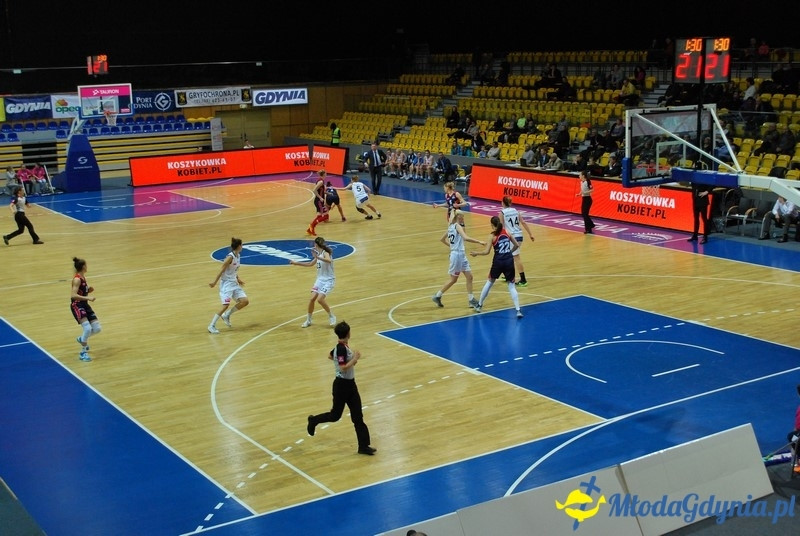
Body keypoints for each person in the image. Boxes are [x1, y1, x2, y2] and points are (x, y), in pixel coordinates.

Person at [306, 320, 375, 455]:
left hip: (351, 385)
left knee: (358, 416)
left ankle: (363, 446)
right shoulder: (341, 348)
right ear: (348, 333)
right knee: (335, 415)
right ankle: (313, 420)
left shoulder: (341, 347)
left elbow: (330, 356)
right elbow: (343, 368)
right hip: (341, 386)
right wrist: (354, 359)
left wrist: (343, 362)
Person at [470, 215, 522, 318]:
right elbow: (516, 245)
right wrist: (509, 252)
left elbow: (486, 252)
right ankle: (518, 310)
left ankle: (479, 305)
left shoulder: (492, 236)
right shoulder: (506, 232)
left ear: (492, 225)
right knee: (511, 286)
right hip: (508, 261)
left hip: (498, 262)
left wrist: (476, 253)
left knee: (489, 282)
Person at [432, 210, 485, 309]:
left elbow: (442, 239)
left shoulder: (450, 227)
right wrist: (479, 241)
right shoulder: (457, 226)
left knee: (469, 277)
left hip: (460, 254)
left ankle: (471, 300)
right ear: (458, 217)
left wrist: (452, 247)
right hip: (457, 256)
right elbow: (465, 238)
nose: (463, 219)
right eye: (462, 217)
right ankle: (437, 295)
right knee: (453, 279)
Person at [289, 236, 337, 328]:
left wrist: (318, 257)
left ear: (316, 244)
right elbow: (310, 264)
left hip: (328, 280)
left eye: (314, 244)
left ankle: (331, 316)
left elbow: (328, 260)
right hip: (320, 280)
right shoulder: (319, 254)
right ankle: (308, 320)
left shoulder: (325, 253)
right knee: (312, 299)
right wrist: (296, 263)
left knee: (320, 299)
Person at [208, 237, 249, 333]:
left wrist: (238, 279)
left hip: (234, 283)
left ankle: (226, 315)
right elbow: (222, 270)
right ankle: (211, 325)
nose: (242, 246)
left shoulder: (238, 255)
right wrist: (214, 282)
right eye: (241, 245)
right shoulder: (230, 257)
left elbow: (233, 270)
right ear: (239, 246)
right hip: (226, 285)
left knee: (245, 301)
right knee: (225, 305)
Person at [70, 257, 101, 362]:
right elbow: (73, 295)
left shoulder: (83, 277)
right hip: (77, 305)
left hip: (84, 304)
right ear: (83, 266)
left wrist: (88, 290)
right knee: (87, 329)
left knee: (97, 329)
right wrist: (88, 297)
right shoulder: (77, 279)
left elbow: (81, 291)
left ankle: (82, 339)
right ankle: (83, 352)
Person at [500, 196, 535, 286]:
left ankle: (523, 280)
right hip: (519, 235)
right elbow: (523, 222)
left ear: (503, 203)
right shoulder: (516, 211)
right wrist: (530, 234)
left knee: (516, 257)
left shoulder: (502, 213)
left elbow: (501, 227)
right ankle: (509, 275)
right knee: (508, 256)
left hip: (512, 237)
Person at [575, 170, 596, 234]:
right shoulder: (581, 182)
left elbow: (592, 190)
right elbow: (582, 190)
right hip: (584, 199)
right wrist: (579, 194)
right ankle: (590, 226)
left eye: (580, 175)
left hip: (588, 199)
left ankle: (588, 228)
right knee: (584, 214)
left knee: (585, 214)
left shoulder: (588, 182)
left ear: (583, 176)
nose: (579, 176)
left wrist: (585, 192)